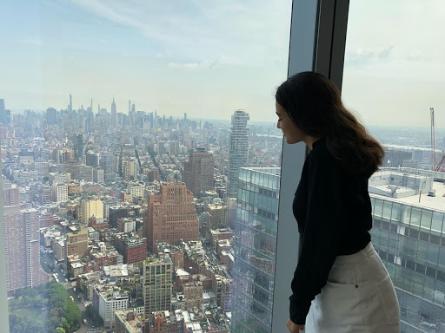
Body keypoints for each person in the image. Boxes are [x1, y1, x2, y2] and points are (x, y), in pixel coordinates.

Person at [275, 71, 400, 333]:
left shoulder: (326, 160)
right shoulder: (328, 152)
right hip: (350, 284)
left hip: (356, 296)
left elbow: (318, 242)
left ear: (301, 115)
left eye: (281, 116)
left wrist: (297, 310)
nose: (278, 124)